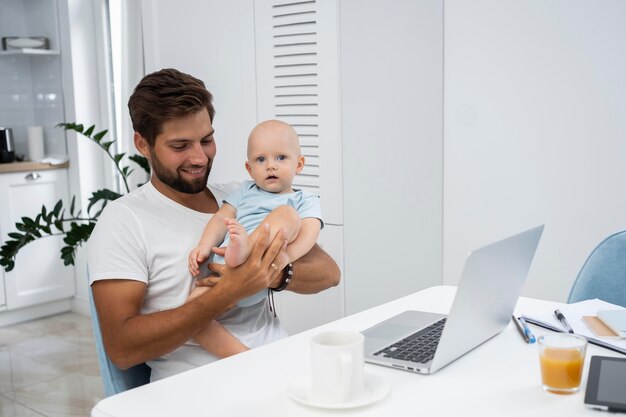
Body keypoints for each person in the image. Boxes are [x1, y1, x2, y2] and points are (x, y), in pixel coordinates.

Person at [88, 68, 340, 382]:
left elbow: (328, 273)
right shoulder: (124, 221)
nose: (199, 158)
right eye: (180, 146)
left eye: (206, 140)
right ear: (143, 144)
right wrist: (227, 292)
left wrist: (272, 273)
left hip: (279, 367)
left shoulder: (242, 195)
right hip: (200, 388)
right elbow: (122, 349)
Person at [186, 119, 323, 357]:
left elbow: (311, 232)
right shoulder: (244, 190)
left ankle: (247, 249)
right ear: (249, 169)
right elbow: (221, 219)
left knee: (287, 215)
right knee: (191, 312)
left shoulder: (303, 200)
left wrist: (285, 258)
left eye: (281, 158)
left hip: (261, 268)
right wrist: (204, 245)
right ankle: (242, 357)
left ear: (298, 164)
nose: (271, 166)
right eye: (261, 160)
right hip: (222, 276)